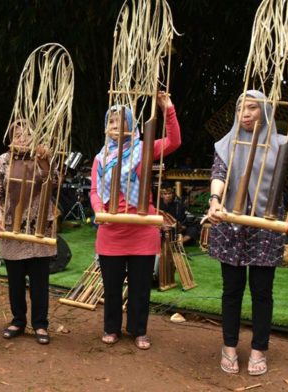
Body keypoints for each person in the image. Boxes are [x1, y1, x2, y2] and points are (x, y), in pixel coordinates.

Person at [206, 90, 288, 376]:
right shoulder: (226, 144)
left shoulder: (282, 144)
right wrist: (214, 200)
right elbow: (219, 174)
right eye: (240, 108)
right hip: (230, 225)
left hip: (265, 228)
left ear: (265, 112)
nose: (245, 114)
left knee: (262, 292)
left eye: (252, 108)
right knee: (231, 290)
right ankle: (229, 347)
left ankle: (259, 348)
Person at [90, 91, 181, 350]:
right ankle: (111, 328)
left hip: (142, 229)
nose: (115, 126)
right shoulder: (100, 158)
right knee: (112, 284)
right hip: (111, 229)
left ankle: (138, 329)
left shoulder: (144, 148)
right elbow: (95, 191)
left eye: (121, 122)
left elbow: (174, 141)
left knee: (141, 286)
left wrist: (168, 109)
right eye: (111, 122)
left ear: (132, 125)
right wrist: (99, 210)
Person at [0, 120, 56, 345]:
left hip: (38, 229)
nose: (22, 138)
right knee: (15, 280)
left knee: (39, 282)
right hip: (11, 229)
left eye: (27, 134)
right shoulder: (3, 161)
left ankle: (40, 324)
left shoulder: (43, 158)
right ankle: (18, 320)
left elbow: (53, 183)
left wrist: (45, 161)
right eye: (17, 135)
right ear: (10, 138)